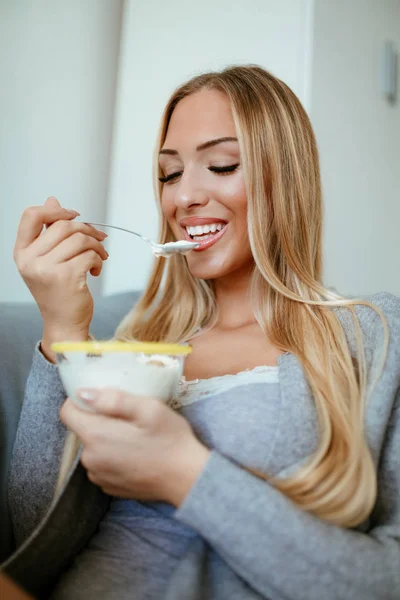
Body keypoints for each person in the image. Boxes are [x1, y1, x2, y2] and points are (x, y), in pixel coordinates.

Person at [4, 65, 399, 599]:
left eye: (221, 165)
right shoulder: (134, 344)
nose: (183, 197)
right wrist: (64, 328)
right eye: (169, 174)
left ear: (284, 174)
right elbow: (33, 536)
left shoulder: (372, 335)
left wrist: (183, 473)